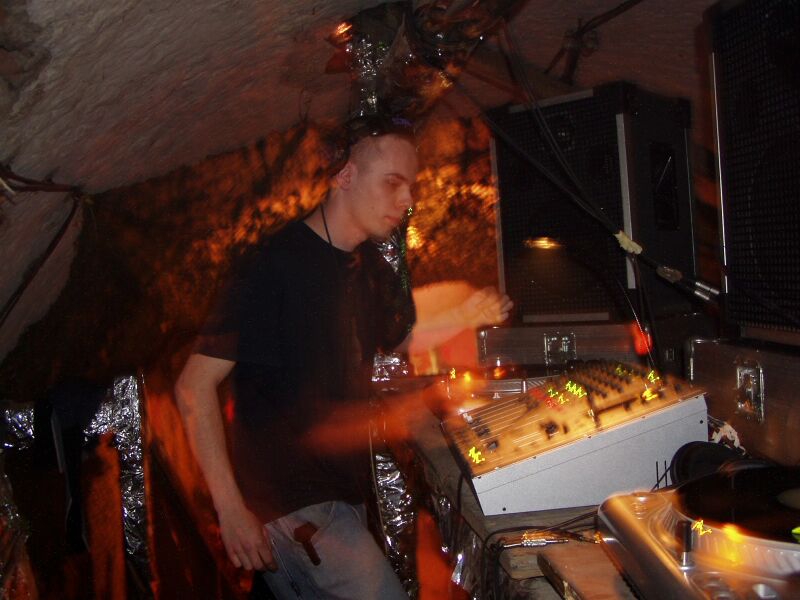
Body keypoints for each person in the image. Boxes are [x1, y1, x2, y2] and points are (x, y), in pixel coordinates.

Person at [175, 117, 512, 599]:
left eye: (411, 187)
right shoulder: (273, 265)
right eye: (393, 183)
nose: (407, 200)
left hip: (339, 499)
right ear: (345, 175)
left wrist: (466, 313)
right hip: (295, 507)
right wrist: (230, 510)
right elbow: (193, 386)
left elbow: (400, 338)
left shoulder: (366, 266)